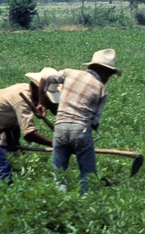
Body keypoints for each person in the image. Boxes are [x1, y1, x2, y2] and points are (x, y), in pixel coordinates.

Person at [39, 49, 120, 193]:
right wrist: (83, 146)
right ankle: (85, 202)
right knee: (87, 173)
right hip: (81, 129)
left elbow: (45, 78)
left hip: (60, 128)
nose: (108, 79)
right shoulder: (102, 89)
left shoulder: (70, 73)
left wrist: (42, 102)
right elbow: (94, 122)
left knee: (59, 172)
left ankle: (59, 202)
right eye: (109, 75)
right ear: (104, 72)